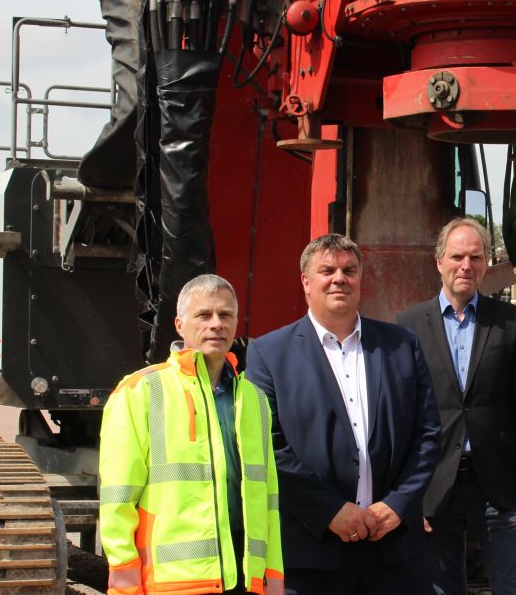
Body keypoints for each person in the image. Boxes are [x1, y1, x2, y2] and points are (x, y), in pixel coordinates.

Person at [246, 233, 442, 594]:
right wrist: (329, 510)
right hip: (312, 550)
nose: (340, 278)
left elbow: (428, 432)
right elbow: (267, 445)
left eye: (349, 270)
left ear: (361, 279)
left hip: (394, 548)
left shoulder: (401, 345)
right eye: (327, 270)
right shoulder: (269, 353)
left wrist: (398, 503)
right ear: (306, 282)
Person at [99, 274, 283, 595]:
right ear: (180, 325)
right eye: (204, 315)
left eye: (226, 315)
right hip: (172, 583)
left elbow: (268, 500)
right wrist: (125, 581)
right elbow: (118, 500)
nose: (216, 324)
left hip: (243, 578)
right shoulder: (140, 391)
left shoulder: (254, 400)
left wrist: (272, 578)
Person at [395, 219, 516, 595]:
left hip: (501, 486)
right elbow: (401, 417)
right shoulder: (409, 324)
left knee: (515, 588)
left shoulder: (509, 323)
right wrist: (407, 494)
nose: (467, 266)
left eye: (476, 257)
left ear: (485, 263)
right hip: (434, 485)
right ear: (439, 262)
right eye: (457, 257)